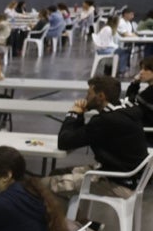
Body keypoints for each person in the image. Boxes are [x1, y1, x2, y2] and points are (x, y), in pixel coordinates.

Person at [45, 75, 148, 207]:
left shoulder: (105, 121)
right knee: (57, 173)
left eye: (89, 93)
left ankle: (70, 227)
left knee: (42, 186)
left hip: (117, 183)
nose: (86, 97)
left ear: (101, 97)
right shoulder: (125, 110)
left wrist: (73, 113)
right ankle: (84, 223)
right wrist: (80, 115)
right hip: (131, 178)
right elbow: (76, 137)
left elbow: (64, 142)